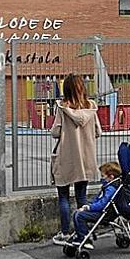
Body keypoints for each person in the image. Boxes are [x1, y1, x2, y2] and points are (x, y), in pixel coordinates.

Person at [49, 74, 101, 245]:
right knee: (82, 197)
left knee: (63, 196)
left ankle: (65, 233)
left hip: (66, 158)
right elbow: (98, 132)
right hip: (86, 158)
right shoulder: (92, 106)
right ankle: (84, 232)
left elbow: (55, 132)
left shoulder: (62, 108)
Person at [71, 162, 122, 248]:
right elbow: (98, 200)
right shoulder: (107, 186)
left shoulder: (110, 189)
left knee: (79, 215)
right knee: (77, 213)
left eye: (103, 176)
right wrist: (90, 205)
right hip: (101, 211)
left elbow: (102, 203)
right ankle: (80, 235)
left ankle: (84, 238)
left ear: (111, 177)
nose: (101, 178)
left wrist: (89, 207)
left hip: (104, 214)